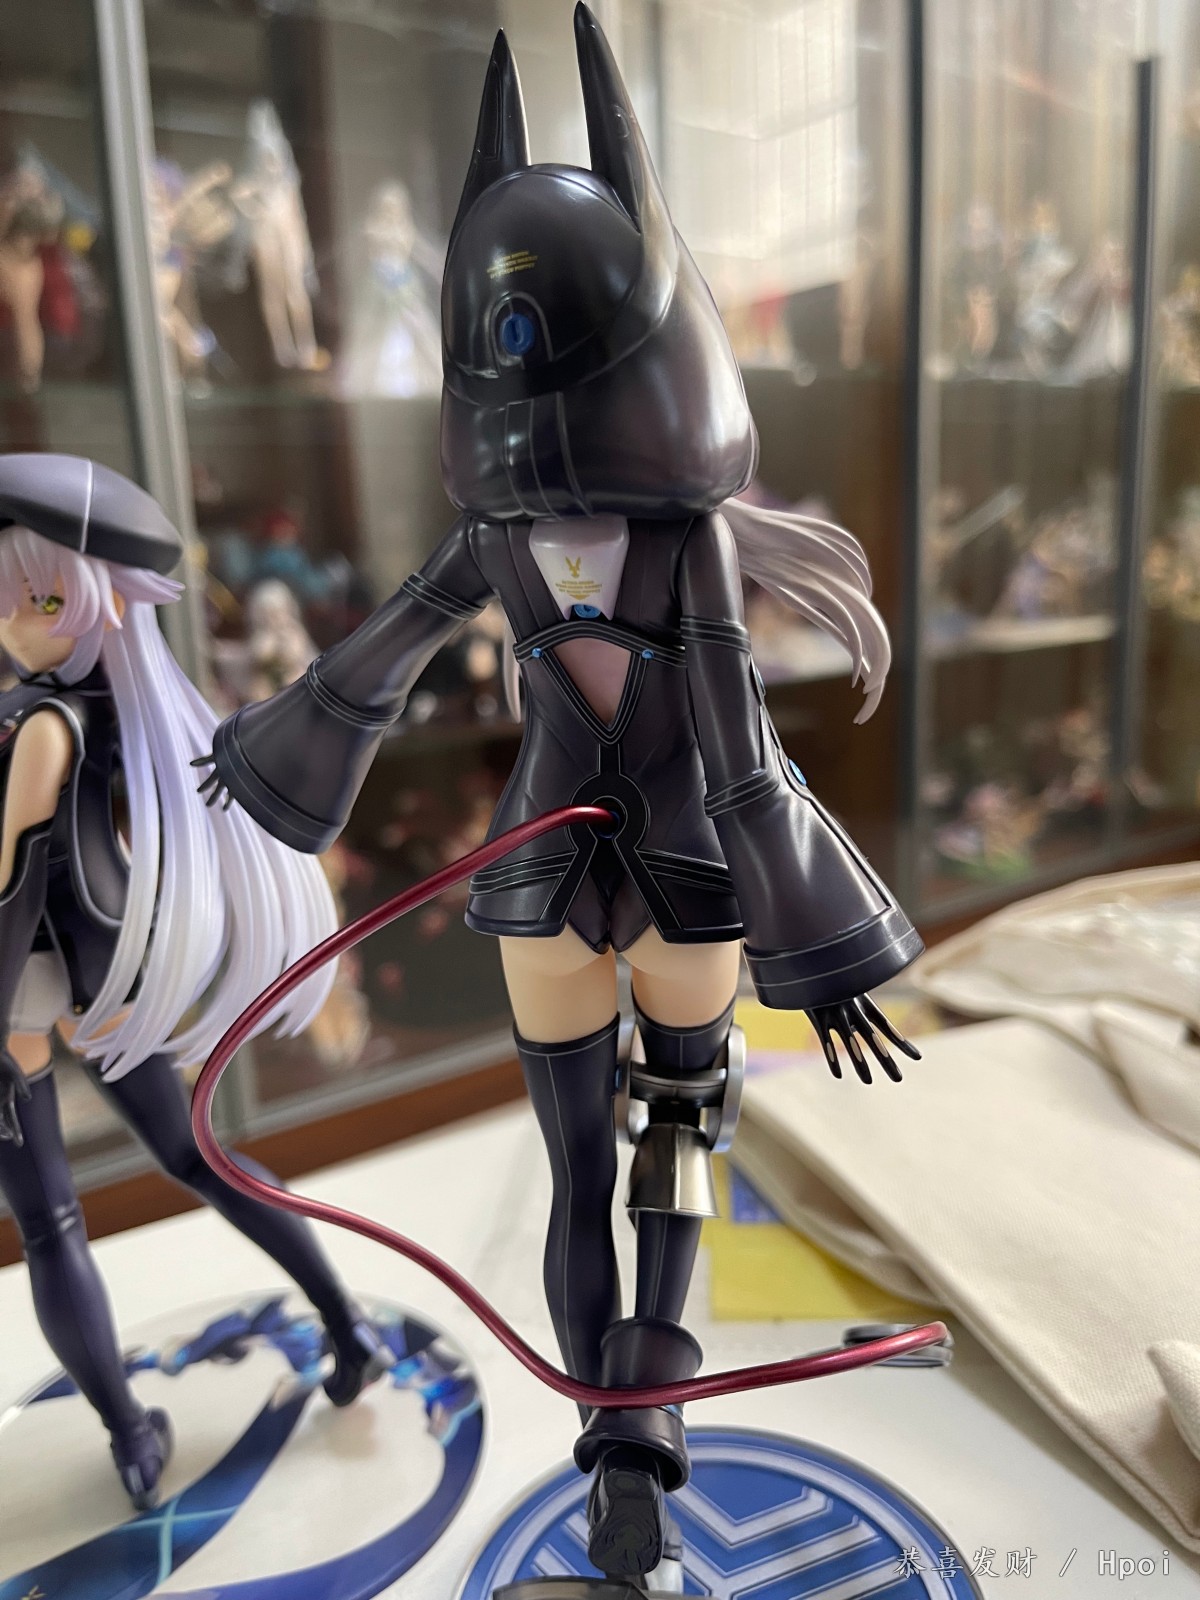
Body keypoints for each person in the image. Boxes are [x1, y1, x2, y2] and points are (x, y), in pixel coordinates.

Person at [201, 8, 923, 1584]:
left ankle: (616, 1442)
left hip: (548, 889)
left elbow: (375, 665)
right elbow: (732, 753)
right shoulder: (671, 541)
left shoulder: (514, 538)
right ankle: (634, 1439)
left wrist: (264, 763)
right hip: (677, 887)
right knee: (671, 1147)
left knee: (594, 1164)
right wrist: (824, 946)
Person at [0, 453, 387, 1512]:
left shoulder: (46, 725)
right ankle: (345, 1325)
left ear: (94, 604)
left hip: (38, 980)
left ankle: (134, 1432)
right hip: (96, 965)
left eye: (39, 599)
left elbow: (11, 890)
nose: (14, 619)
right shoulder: (81, 706)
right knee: (192, 1160)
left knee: (59, 1220)